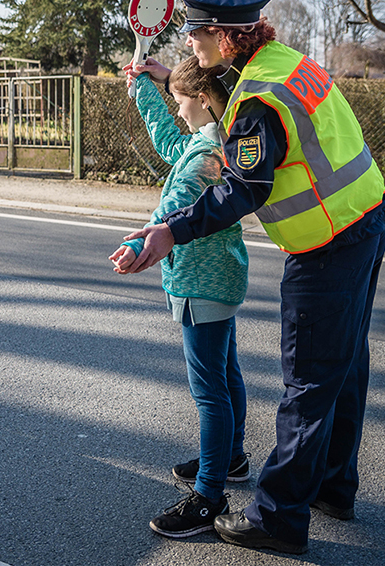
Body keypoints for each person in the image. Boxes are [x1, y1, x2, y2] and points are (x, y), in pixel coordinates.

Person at [123, 0, 385, 555]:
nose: (191, 43)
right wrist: (165, 79)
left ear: (222, 36)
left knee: (309, 381)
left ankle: (278, 515)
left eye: (195, 35)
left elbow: (242, 188)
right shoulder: (282, 64)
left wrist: (172, 230)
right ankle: (333, 486)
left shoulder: (258, 101)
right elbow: (222, 107)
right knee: (344, 367)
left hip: (327, 245)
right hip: (364, 217)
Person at [111, 55, 250, 539]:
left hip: (200, 283)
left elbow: (172, 207)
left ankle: (210, 497)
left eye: (180, 101)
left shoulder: (207, 159)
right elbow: (173, 142)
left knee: (210, 393)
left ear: (204, 100)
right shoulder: (215, 139)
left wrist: (135, 243)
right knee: (226, 374)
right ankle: (231, 457)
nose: (179, 110)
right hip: (222, 279)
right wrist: (147, 89)